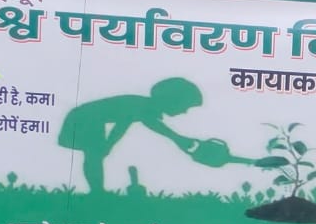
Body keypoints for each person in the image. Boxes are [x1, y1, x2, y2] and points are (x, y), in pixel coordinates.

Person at [56, 77, 258, 194]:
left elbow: (135, 123)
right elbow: (132, 124)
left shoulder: (143, 106)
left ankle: (97, 192)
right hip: (84, 119)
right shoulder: (143, 106)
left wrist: (179, 140)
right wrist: (109, 144)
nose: (184, 112)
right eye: (184, 107)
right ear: (171, 100)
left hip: (91, 119)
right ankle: (97, 193)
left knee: (96, 154)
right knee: (94, 154)